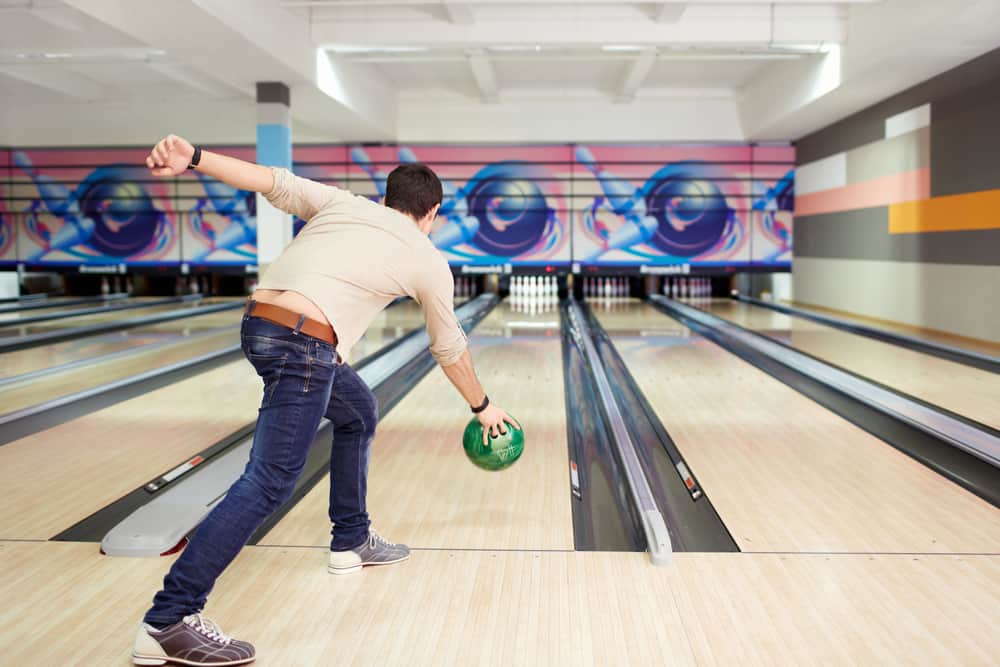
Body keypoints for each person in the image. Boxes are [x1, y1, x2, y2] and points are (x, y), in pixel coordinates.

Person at [132, 135, 519, 666]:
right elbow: (448, 347)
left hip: (260, 325)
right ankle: (168, 620)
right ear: (432, 213)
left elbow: (269, 180)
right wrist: (483, 406)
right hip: (305, 346)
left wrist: (194, 157)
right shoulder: (427, 258)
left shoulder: (343, 203)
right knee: (268, 482)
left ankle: (352, 539)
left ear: (386, 199)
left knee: (359, 413)